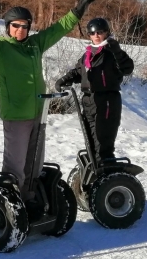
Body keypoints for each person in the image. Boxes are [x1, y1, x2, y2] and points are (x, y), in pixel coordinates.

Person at [0, 0, 95, 203]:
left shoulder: (34, 45)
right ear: (8, 26)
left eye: (24, 26)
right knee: (15, 166)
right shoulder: (0, 48)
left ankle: (29, 201)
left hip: (39, 112)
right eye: (16, 25)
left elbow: (57, 30)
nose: (20, 30)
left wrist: (76, 12)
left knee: (35, 165)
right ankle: (10, 204)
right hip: (16, 114)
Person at [55, 17, 134, 162]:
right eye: (92, 33)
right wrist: (65, 79)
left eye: (100, 32)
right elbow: (79, 71)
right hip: (89, 100)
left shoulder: (111, 52)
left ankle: (106, 173)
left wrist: (117, 51)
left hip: (107, 100)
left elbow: (127, 68)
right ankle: (95, 169)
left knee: (102, 141)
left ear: (106, 33)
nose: (96, 35)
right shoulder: (88, 53)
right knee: (90, 140)